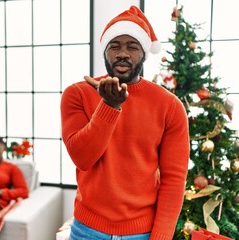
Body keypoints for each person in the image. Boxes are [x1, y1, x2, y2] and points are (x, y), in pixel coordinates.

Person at [60, 5, 189, 240]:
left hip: (142, 233)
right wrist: (109, 106)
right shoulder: (77, 94)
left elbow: (174, 180)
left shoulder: (169, 106)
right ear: (105, 52)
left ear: (144, 53)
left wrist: (160, 237)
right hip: (86, 231)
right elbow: (82, 158)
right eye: (115, 46)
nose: (122, 53)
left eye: (132, 46)